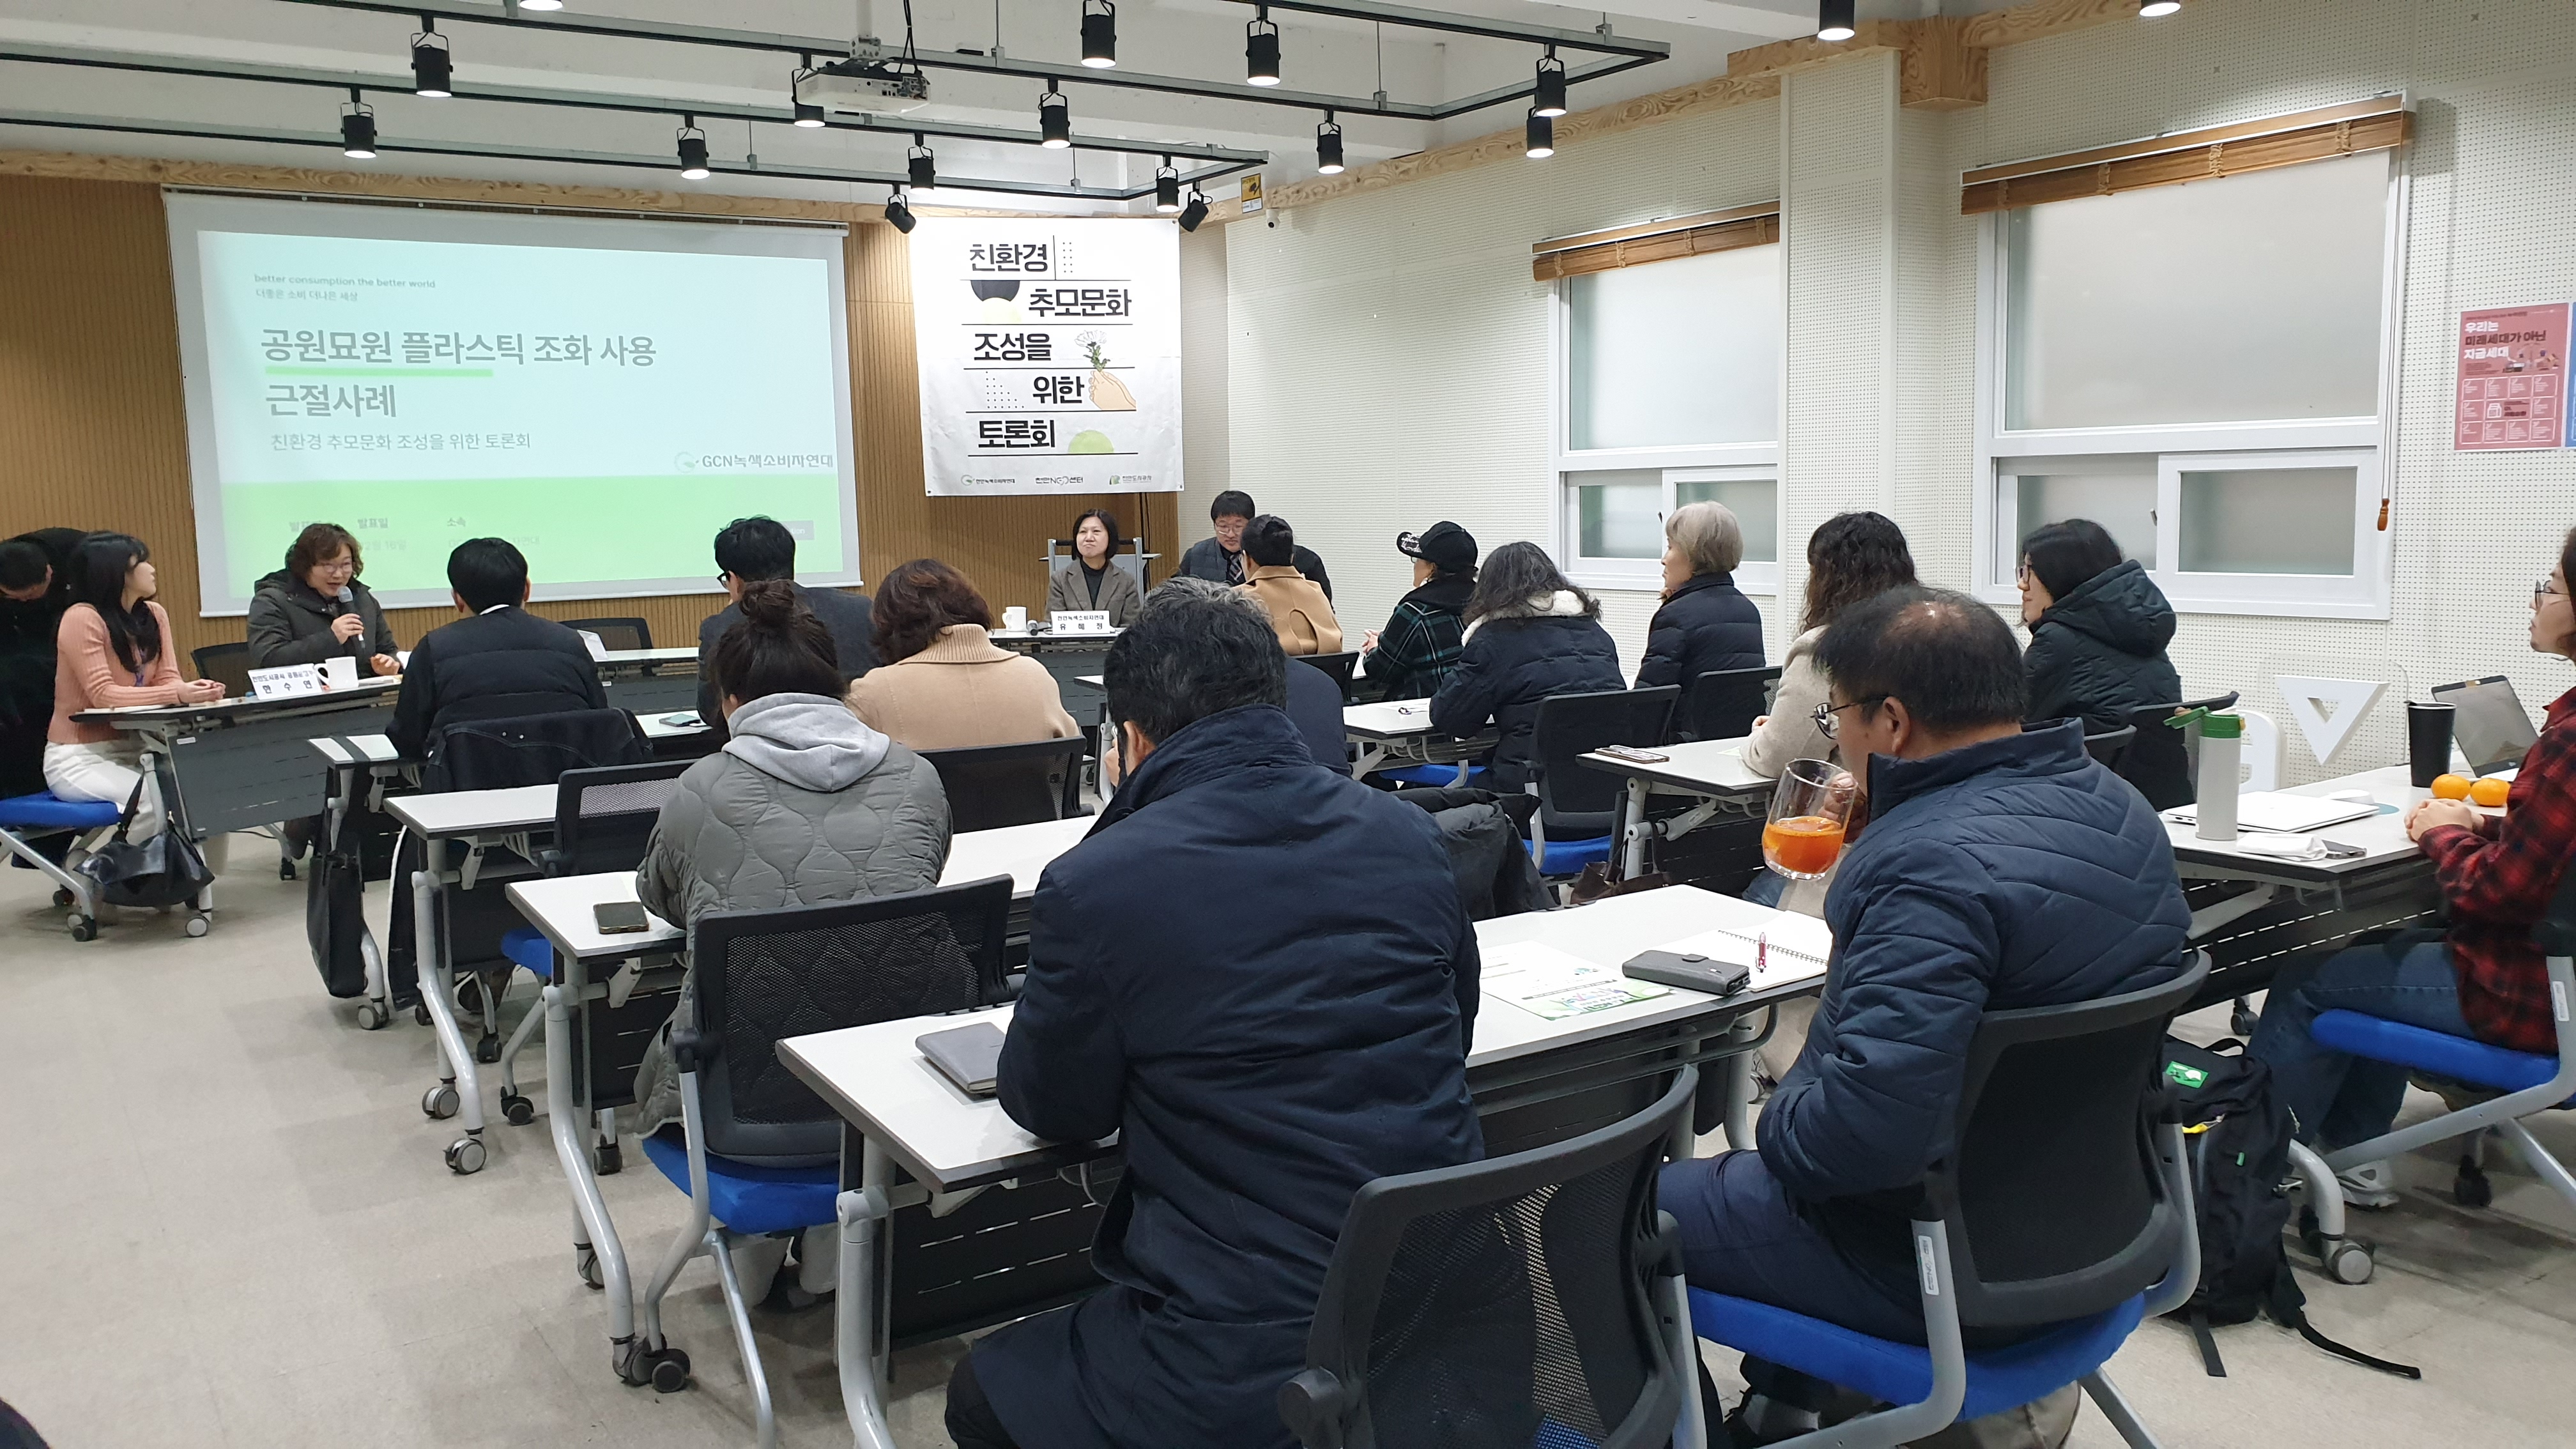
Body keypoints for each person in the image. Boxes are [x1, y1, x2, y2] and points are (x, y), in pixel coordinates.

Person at [947, 580, 1481, 1449]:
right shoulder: (1409, 835)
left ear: (1130, 738)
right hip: (1446, 1319)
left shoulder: (1099, 882)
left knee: (984, 1389)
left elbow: (1055, 1108)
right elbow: (1455, 1026)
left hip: (1250, 1358)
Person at [1657, 587, 2189, 1442]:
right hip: (2113, 1228)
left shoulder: (1920, 864)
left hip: (1943, 1266)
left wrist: (1776, 1110)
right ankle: (1785, 1408)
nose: (1838, 743)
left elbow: (1854, 1144)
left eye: (1838, 719)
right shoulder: (2121, 809)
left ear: (1893, 722)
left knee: (1601, 1213)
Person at [629, 579, 950, 1301]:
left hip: (748, 1101)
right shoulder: (917, 776)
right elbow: (920, 880)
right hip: (895, 1089)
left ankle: (754, 1272)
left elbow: (661, 897)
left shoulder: (700, 786)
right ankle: (828, 1272)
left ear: (730, 702)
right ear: (837, 686)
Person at [2248, 540, 2576, 1206]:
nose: (2536, 601)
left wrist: (2441, 834)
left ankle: (2247, 1181)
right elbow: (2557, 854)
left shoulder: (2570, 741)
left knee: (2307, 980)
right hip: (2548, 980)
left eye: (2550, 587)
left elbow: (2495, 892)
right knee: (2376, 949)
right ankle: (2353, 1157)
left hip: (2529, 996)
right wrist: (2488, 825)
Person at [1739, 512, 1919, 923]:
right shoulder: (1924, 636)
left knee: (1748, 909)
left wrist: (1756, 734)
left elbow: (1780, 755)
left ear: (1826, 577)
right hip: (1902, 830)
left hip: (1838, 848)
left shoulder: (1826, 648)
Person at [43, 534, 226, 846]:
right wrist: (179, 694)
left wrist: (192, 689)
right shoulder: (82, 618)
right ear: (116, 574)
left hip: (140, 751)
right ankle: (109, 869)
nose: (151, 569)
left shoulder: (154, 614)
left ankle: (196, 873)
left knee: (210, 795)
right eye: (140, 562)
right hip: (80, 759)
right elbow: (104, 695)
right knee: (151, 801)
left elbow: (168, 678)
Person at [387, 538, 605, 760]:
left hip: (466, 779)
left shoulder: (434, 648)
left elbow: (407, 738)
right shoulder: (569, 642)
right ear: (527, 589)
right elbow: (601, 722)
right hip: (562, 776)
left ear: (458, 599)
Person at [1429, 542, 1623, 790]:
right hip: (1608, 785)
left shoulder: (1493, 640)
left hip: (1530, 789)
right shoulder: (1596, 634)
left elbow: (1451, 720)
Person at [847, 558, 1078, 751]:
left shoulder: (874, 691)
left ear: (889, 625)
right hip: (1028, 795)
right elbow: (1068, 758)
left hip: (932, 796)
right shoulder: (1036, 676)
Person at [696, 516, 878, 741]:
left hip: (760, 750)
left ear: (733, 579)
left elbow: (710, 710)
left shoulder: (721, 627)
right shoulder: (859, 609)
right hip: (859, 740)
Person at [2017, 519, 2181, 733]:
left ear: (2061, 573)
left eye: (2028, 571)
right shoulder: (2139, 629)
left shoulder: (2057, 641)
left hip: (2088, 756)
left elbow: (2004, 725)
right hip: (2154, 756)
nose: (2022, 584)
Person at [1634, 501, 1765, 691]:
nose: (1664, 560)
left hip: (1687, 713)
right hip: (1740, 713)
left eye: (1670, 547)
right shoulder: (1749, 611)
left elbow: (1649, 697)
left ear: (1694, 554)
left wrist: (1670, 607)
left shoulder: (1675, 616)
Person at [245, 522, 401, 676]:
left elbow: (388, 650)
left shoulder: (362, 598)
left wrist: (389, 664)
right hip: (307, 692)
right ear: (305, 566)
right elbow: (269, 658)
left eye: (346, 565)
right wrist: (332, 638)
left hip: (363, 691)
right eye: (328, 566)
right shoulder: (272, 601)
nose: (338, 574)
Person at [0, 529, 86, 800]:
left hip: (71, 633)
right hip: (18, 644)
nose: (26, 602)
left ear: (50, 572)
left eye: (32, 595)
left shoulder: (79, 552)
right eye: (18, 598)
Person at [1358, 521, 1476, 700]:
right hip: (1474, 708)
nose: (1414, 565)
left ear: (1432, 567)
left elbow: (1381, 670)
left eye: (1417, 559)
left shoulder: (1415, 612)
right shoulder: (1486, 603)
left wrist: (1376, 647)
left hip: (1422, 708)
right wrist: (1387, 638)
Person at [1176, 489, 1332, 597]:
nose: (1230, 534)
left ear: (1251, 523)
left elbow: (1324, 603)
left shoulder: (1282, 552)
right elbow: (1177, 595)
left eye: (1238, 526)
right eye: (1223, 527)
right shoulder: (1196, 555)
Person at [1234, 515, 1342, 656]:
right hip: (1325, 670)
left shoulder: (1237, 599)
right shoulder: (1316, 591)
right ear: (1292, 557)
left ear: (1247, 559)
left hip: (1269, 670)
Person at [1045, 509, 1144, 627]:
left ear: (1110, 538)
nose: (1088, 538)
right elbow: (1054, 626)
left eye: (1096, 531)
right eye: (1083, 532)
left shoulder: (1126, 581)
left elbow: (1132, 628)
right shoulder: (1060, 580)